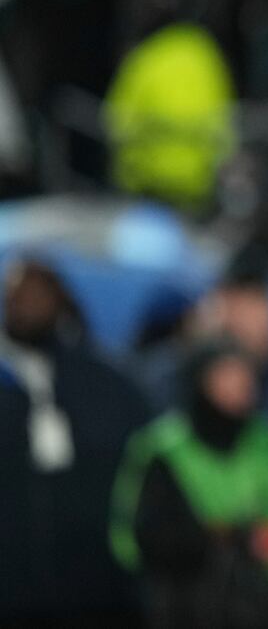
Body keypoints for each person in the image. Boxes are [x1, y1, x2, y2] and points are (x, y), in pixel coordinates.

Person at [0, 256, 151, 628]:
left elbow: (142, 463)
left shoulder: (105, 383)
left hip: (98, 588)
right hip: (13, 587)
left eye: (39, 294)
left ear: (62, 301)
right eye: (18, 295)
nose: (27, 305)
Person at [109, 340, 268, 629]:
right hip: (188, 608)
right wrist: (229, 538)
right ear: (200, 382)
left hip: (265, 607)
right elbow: (147, 538)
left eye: (245, 376)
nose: (240, 386)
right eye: (226, 375)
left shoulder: (266, 442)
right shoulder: (165, 450)